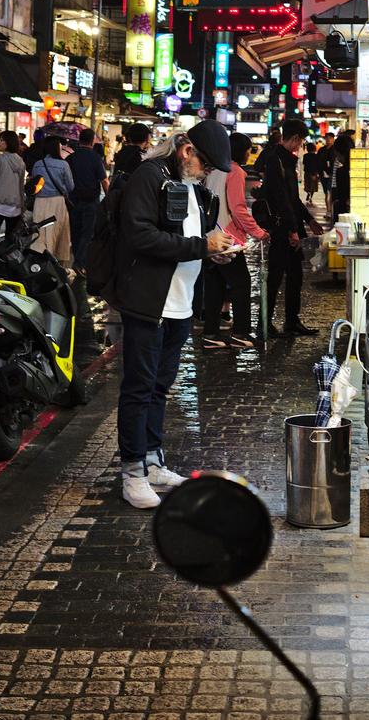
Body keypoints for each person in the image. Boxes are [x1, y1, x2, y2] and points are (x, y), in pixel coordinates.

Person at [112, 121, 234, 508]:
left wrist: (212, 250)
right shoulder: (150, 177)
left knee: (160, 384)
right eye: (207, 166)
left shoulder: (189, 186)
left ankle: (152, 459)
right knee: (139, 385)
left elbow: (187, 240)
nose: (207, 174)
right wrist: (202, 244)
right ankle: (132, 471)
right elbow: (140, 235)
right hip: (150, 301)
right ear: (186, 150)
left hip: (180, 304)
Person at [203, 132, 268, 350]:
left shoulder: (213, 170)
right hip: (227, 239)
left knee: (215, 285)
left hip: (210, 236)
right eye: (249, 149)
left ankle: (210, 333)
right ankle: (241, 332)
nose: (250, 153)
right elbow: (238, 209)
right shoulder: (235, 171)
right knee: (242, 284)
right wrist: (258, 232)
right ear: (242, 151)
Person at [263, 118, 322, 338]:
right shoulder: (275, 160)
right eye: (301, 141)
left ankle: (291, 321)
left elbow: (293, 198)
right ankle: (265, 324)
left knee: (295, 276)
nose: (300, 146)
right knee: (276, 277)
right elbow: (281, 199)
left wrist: (308, 219)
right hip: (282, 231)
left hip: (291, 226)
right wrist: (292, 230)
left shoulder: (286, 160)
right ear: (295, 138)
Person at [67, 128, 109, 273]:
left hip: (73, 200)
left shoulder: (71, 158)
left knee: (76, 230)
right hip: (91, 200)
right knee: (88, 232)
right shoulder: (95, 157)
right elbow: (104, 180)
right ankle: (79, 262)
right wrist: (109, 197)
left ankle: (77, 260)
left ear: (79, 140)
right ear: (92, 141)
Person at [31, 135, 74, 266]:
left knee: (41, 233)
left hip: (39, 203)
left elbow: (34, 183)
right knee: (57, 232)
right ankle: (56, 262)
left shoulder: (38, 164)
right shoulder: (63, 164)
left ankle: (41, 260)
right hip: (57, 202)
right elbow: (71, 186)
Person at [330, 131, 355, 223]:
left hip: (345, 217)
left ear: (338, 152)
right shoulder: (361, 168)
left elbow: (340, 197)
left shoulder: (341, 171)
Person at [316, 132, 336, 210]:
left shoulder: (335, 149)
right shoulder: (321, 150)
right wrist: (317, 172)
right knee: (326, 192)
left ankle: (330, 210)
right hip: (323, 174)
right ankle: (328, 209)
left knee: (329, 192)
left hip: (333, 174)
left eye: (330, 138)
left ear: (333, 139)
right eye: (327, 138)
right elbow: (317, 161)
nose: (328, 140)